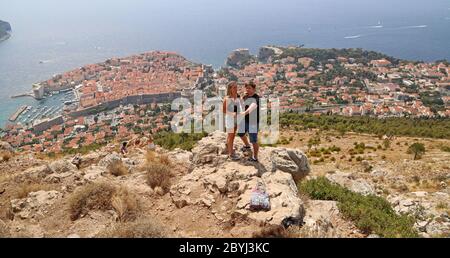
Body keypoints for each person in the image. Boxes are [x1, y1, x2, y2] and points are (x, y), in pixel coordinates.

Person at [238, 81, 260, 162]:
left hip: (253, 122)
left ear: (254, 89)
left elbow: (252, 106)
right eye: (246, 88)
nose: (248, 89)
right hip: (245, 120)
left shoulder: (256, 98)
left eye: (249, 88)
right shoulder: (245, 96)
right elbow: (241, 103)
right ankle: (247, 145)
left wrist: (244, 112)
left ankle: (255, 157)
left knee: (254, 140)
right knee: (240, 133)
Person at [223, 81, 241, 161]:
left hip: (236, 119)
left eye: (236, 87)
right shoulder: (227, 99)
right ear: (230, 89)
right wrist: (231, 113)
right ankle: (231, 154)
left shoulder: (237, 96)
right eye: (234, 87)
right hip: (230, 119)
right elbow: (223, 110)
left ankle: (228, 146)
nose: (236, 89)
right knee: (231, 136)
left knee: (232, 135)